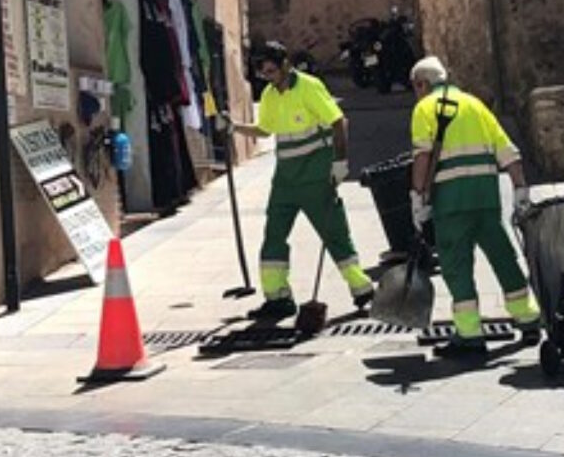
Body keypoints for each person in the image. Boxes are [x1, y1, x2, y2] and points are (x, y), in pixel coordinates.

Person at [227, 41, 374, 320]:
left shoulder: (309, 86)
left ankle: (362, 288)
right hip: (285, 178)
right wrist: (235, 127)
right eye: (263, 73)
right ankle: (278, 297)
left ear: (285, 64)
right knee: (273, 235)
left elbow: (339, 122)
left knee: (334, 233)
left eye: (271, 71)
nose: (268, 77)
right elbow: (264, 130)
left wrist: (340, 163)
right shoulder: (270, 94)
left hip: (316, 174)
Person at [408, 56, 541, 358]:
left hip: (451, 200)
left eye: (415, 87)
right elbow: (507, 151)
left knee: (457, 267)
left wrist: (418, 197)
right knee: (503, 257)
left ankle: (469, 334)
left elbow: (423, 157)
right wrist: (520, 189)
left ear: (422, 84)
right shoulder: (475, 105)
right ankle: (529, 318)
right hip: (486, 197)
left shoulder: (424, 109)